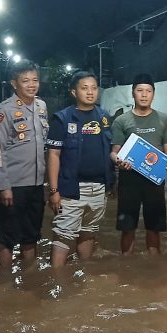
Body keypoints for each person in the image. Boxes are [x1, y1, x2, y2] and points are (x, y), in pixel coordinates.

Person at [46, 71, 115, 268]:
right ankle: (55, 280)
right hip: (71, 189)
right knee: (63, 235)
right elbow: (53, 155)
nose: (90, 92)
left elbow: (110, 150)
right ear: (74, 92)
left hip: (98, 188)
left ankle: (83, 274)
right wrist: (53, 190)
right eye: (84, 88)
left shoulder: (104, 117)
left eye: (94, 88)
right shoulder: (63, 118)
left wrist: (111, 182)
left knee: (89, 232)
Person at [0, 59, 48, 270]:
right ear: (14, 83)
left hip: (35, 184)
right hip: (12, 186)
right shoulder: (3, 110)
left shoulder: (41, 106)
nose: (32, 85)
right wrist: (3, 186)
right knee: (7, 237)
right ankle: (5, 283)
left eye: (35, 80)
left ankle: (28, 280)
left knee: (31, 235)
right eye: (26, 80)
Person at [109, 73, 167, 255]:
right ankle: (127, 266)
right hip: (129, 180)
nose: (144, 95)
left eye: (148, 91)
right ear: (133, 93)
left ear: (154, 94)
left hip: (155, 180)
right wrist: (118, 161)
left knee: (153, 227)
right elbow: (114, 151)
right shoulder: (122, 121)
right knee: (127, 227)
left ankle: (152, 268)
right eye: (140, 90)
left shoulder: (164, 119)